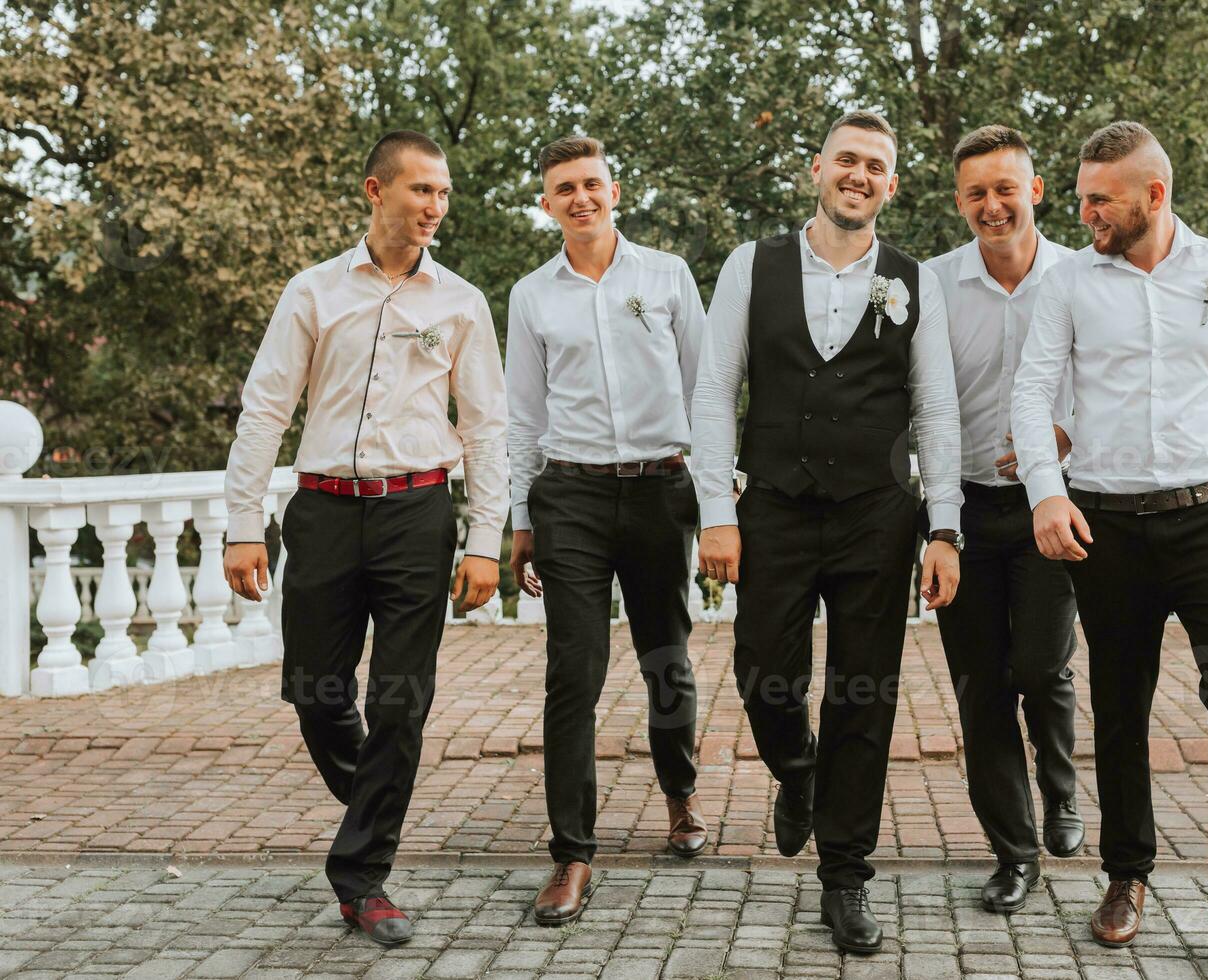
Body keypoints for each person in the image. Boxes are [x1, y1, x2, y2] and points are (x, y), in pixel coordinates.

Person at [1011, 121, 1208, 980]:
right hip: (1108, 524)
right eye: (1083, 195)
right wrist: (1046, 493)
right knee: (1119, 705)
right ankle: (1125, 876)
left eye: (1100, 198)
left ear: (1153, 195)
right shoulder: (1067, 281)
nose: (1084, 210)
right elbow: (1031, 390)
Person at [222, 130, 508, 946]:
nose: (435, 207)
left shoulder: (460, 303)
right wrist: (244, 525)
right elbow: (266, 411)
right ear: (375, 191)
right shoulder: (312, 293)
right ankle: (377, 811)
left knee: (400, 703)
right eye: (421, 190)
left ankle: (363, 877)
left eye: (444, 193)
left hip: (418, 514)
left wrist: (484, 537)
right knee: (316, 693)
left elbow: (487, 429)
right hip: (322, 513)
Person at [693, 110, 963, 955]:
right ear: (817, 169)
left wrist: (944, 525)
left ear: (891, 184)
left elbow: (936, 408)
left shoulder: (914, 280)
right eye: (847, 160)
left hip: (878, 517)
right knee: (762, 668)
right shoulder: (752, 264)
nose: (860, 175)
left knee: (864, 694)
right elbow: (713, 391)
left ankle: (845, 876)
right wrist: (716, 512)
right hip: (772, 504)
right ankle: (797, 767)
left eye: (876, 166)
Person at [505, 135, 709, 927]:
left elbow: (707, 387)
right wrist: (522, 518)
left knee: (667, 659)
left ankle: (681, 799)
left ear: (614, 191)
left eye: (591, 184)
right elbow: (524, 413)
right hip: (572, 500)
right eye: (564, 188)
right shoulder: (532, 296)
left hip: (661, 492)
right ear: (548, 203)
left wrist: (717, 501)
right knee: (573, 674)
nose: (579, 198)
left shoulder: (666, 276)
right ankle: (572, 854)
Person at [922, 124, 1081, 914]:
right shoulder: (933, 285)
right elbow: (928, 407)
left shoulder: (1085, 276)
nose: (993, 205)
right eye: (977, 193)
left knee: (1041, 667)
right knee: (981, 687)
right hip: (969, 509)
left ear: (1036, 192)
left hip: (1054, 507)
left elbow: (1112, 375)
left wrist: (1068, 430)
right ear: (960, 203)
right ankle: (1014, 854)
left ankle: (1061, 787)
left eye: (1005, 188)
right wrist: (939, 525)